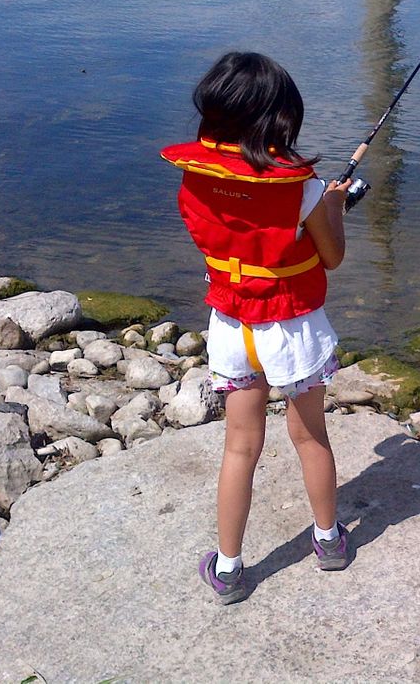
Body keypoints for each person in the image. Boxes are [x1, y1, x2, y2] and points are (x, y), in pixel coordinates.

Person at [161, 51, 353, 605]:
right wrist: (334, 205)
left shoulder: (195, 177)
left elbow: (232, 231)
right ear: (280, 121)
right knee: (309, 436)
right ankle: (329, 541)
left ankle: (227, 568)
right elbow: (332, 256)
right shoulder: (306, 188)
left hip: (231, 325)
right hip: (291, 329)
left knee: (240, 447)